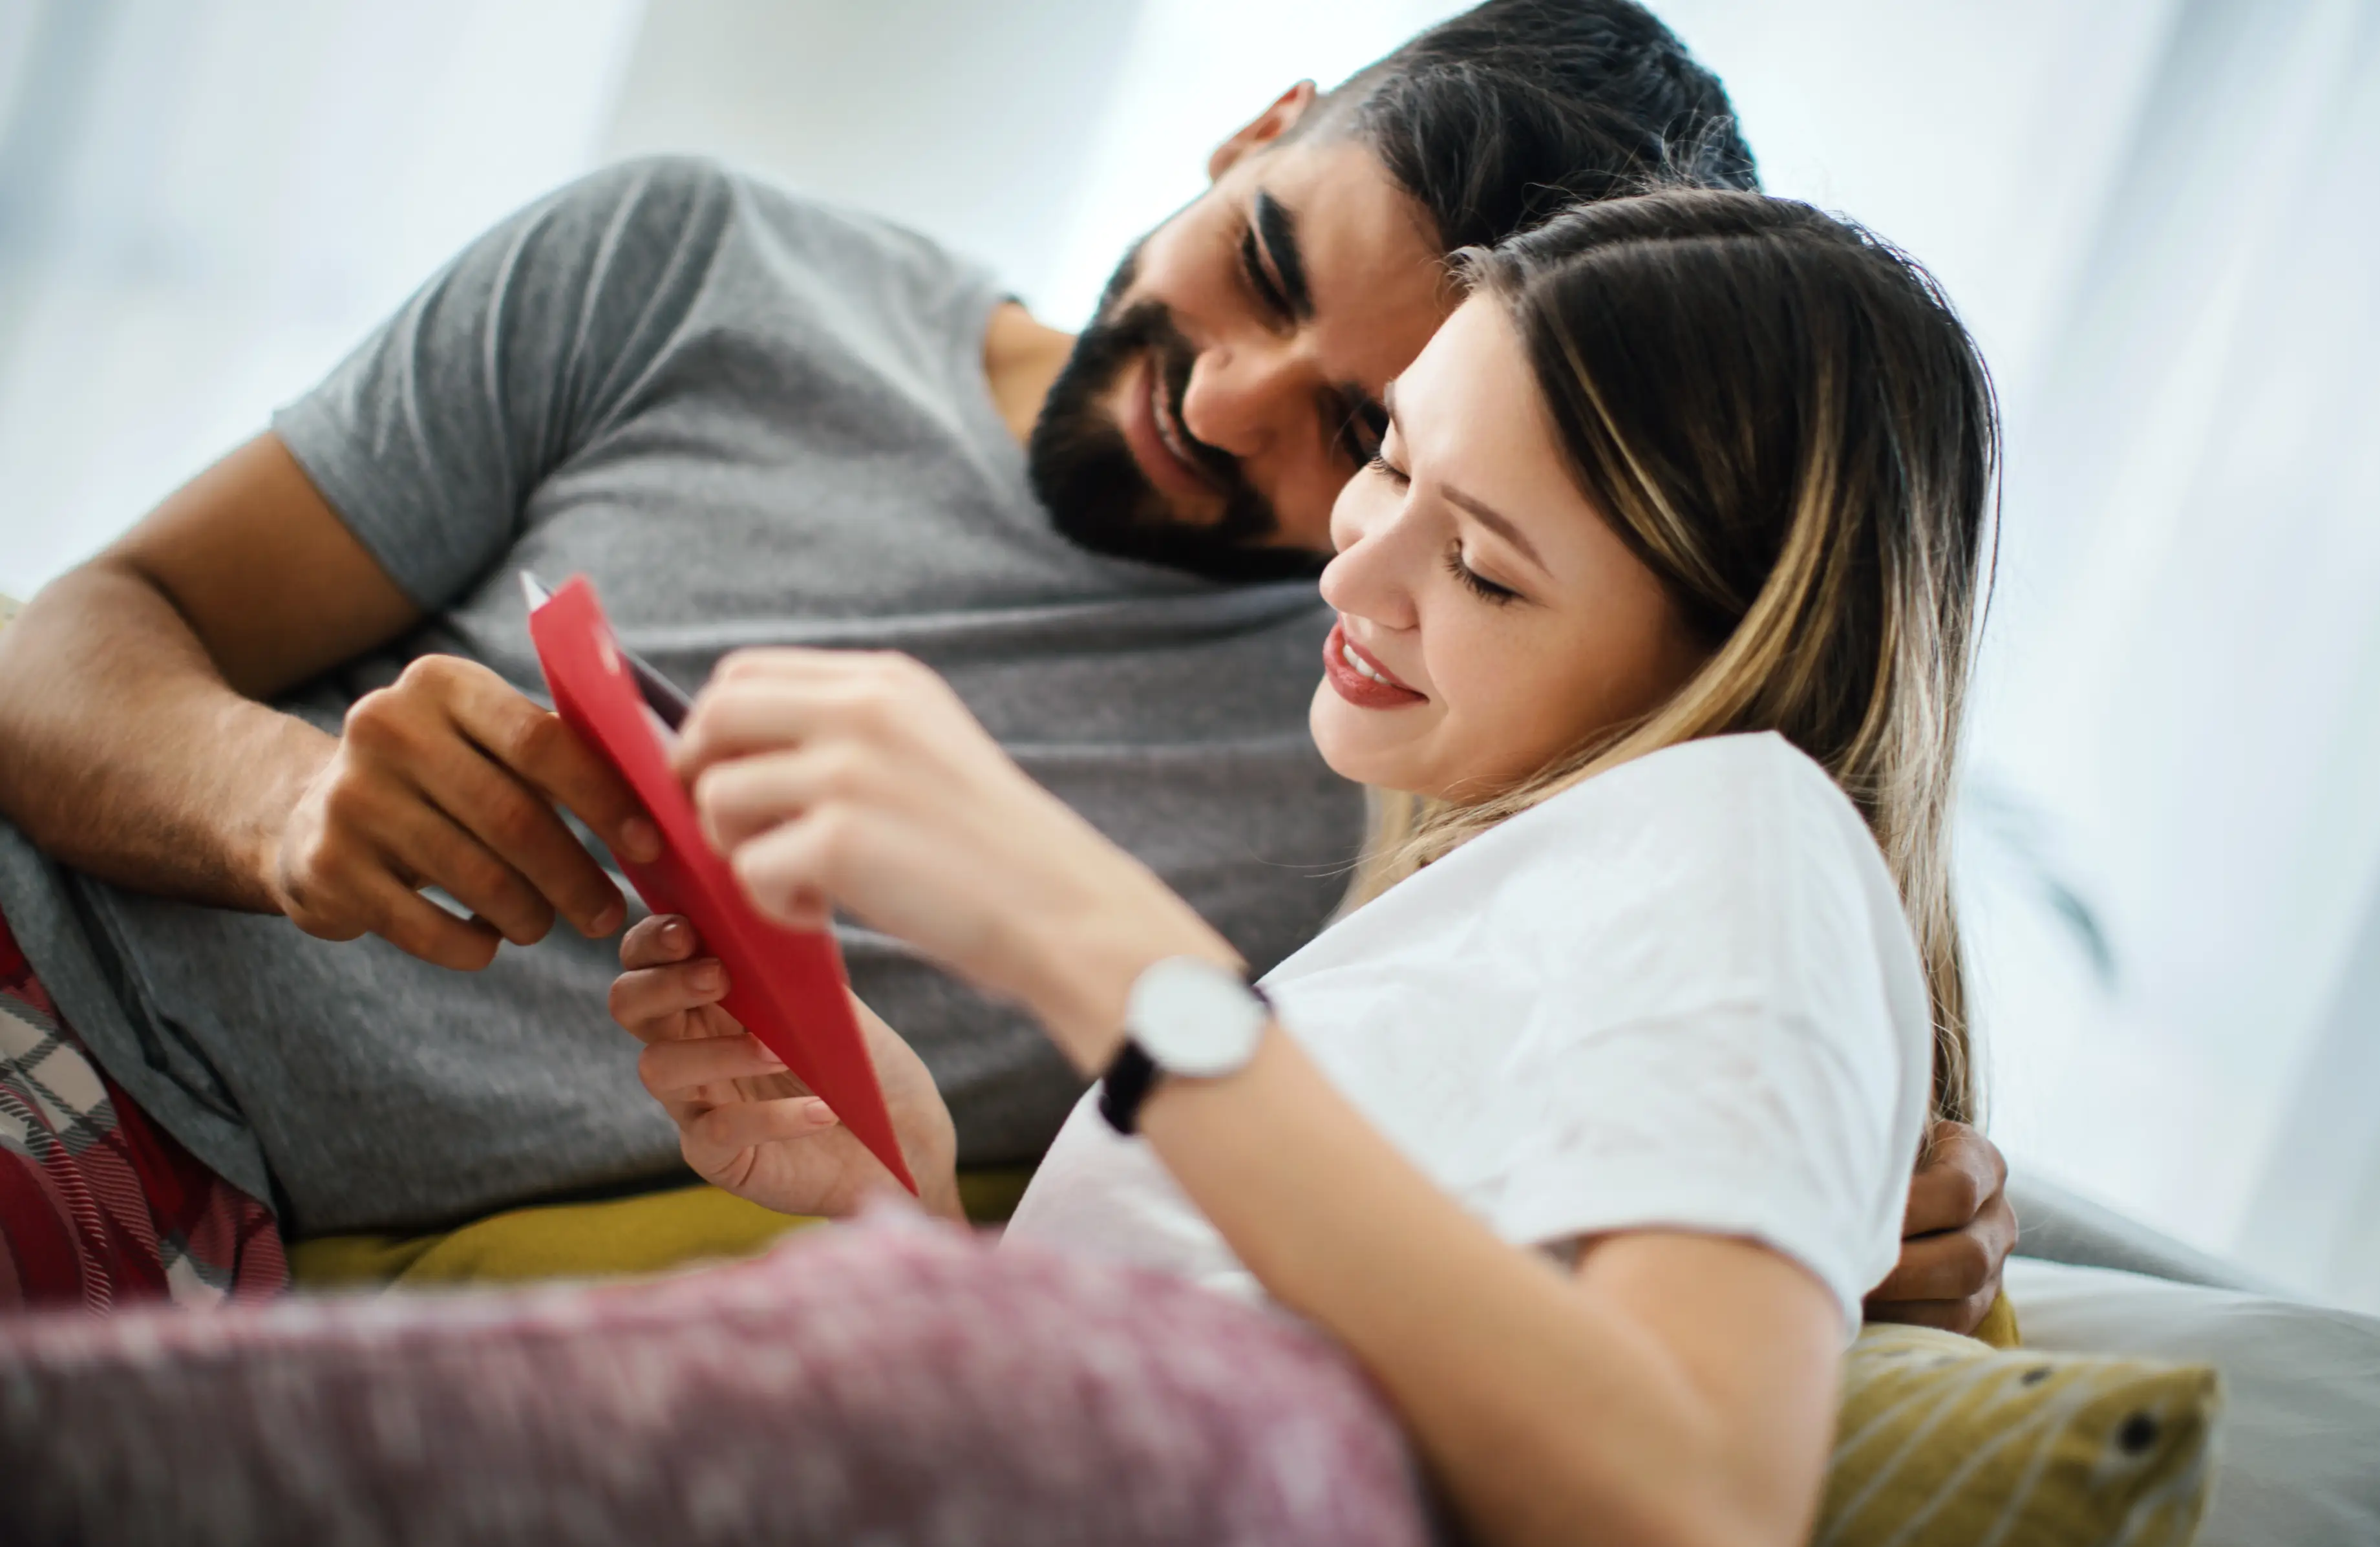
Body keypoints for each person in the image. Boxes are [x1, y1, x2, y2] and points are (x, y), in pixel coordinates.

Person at [0, 0, 2009, 1317]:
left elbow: (1683, 1056)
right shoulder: (682, 264)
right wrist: (281, 806)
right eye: (1268, 265)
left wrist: (1849, 1211)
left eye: (1371, 429)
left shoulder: (1402, 749)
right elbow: (68, 643)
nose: (1226, 403)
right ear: (1256, 128)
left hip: (150, 1170)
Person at [607, 186, 1998, 1547]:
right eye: (1389, 456)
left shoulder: (1750, 837)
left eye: (1482, 568)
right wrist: (908, 1198)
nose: (1351, 570)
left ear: (1728, 652)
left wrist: (1086, 938)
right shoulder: (1490, 908)